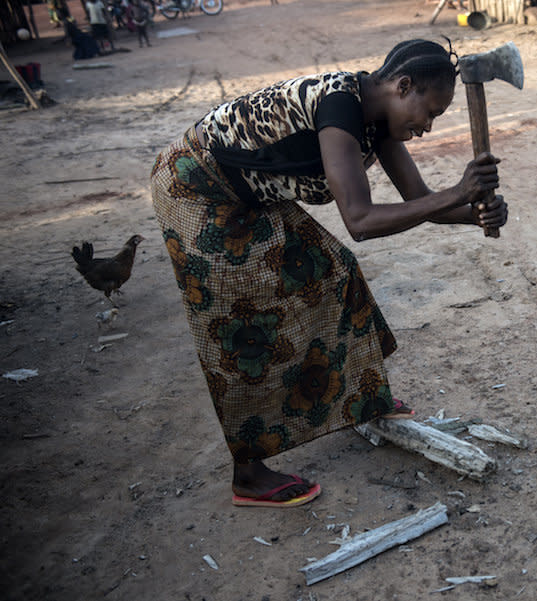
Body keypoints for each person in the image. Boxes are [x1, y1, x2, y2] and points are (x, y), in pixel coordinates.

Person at [150, 39, 507, 508]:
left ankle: (363, 400)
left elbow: (422, 202)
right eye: (430, 112)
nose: (428, 126)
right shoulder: (340, 108)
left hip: (246, 194)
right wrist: (459, 191)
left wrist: (474, 213)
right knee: (242, 324)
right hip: (194, 187)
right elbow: (360, 221)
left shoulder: (380, 119)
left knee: (330, 273)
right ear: (403, 87)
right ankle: (248, 473)